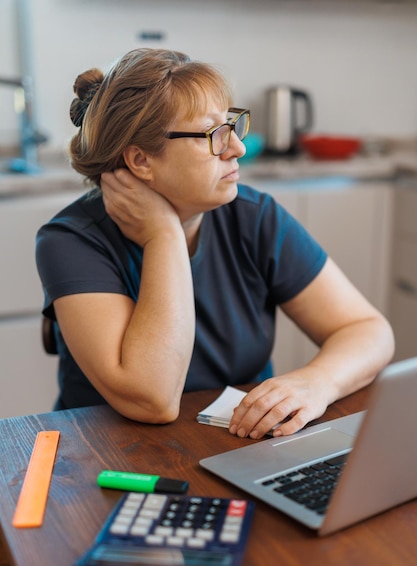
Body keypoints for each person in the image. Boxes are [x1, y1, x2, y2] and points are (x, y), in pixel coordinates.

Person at [36, 48, 394, 440]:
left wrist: (318, 382)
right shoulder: (71, 240)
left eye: (232, 125)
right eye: (213, 134)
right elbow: (152, 399)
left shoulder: (254, 216)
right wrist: (164, 235)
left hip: (243, 441)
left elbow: (367, 330)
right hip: (109, 456)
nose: (237, 148)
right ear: (141, 160)